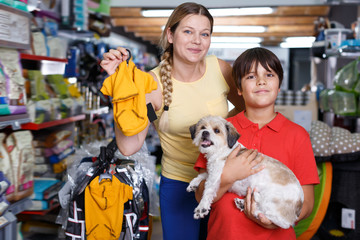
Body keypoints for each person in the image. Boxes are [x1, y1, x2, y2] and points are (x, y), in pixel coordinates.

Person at [100, 2, 262, 240]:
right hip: (179, 185)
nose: (197, 40)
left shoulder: (220, 70)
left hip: (225, 180)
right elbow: (129, 145)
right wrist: (120, 89)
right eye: (188, 31)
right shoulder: (151, 85)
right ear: (170, 35)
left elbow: (248, 116)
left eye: (204, 34)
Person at [194, 47, 320, 240]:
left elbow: (307, 202)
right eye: (251, 76)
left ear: (279, 85)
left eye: (269, 74)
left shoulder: (297, 135)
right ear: (238, 88)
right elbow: (199, 195)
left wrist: (273, 221)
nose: (261, 81)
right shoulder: (220, 130)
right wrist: (228, 176)